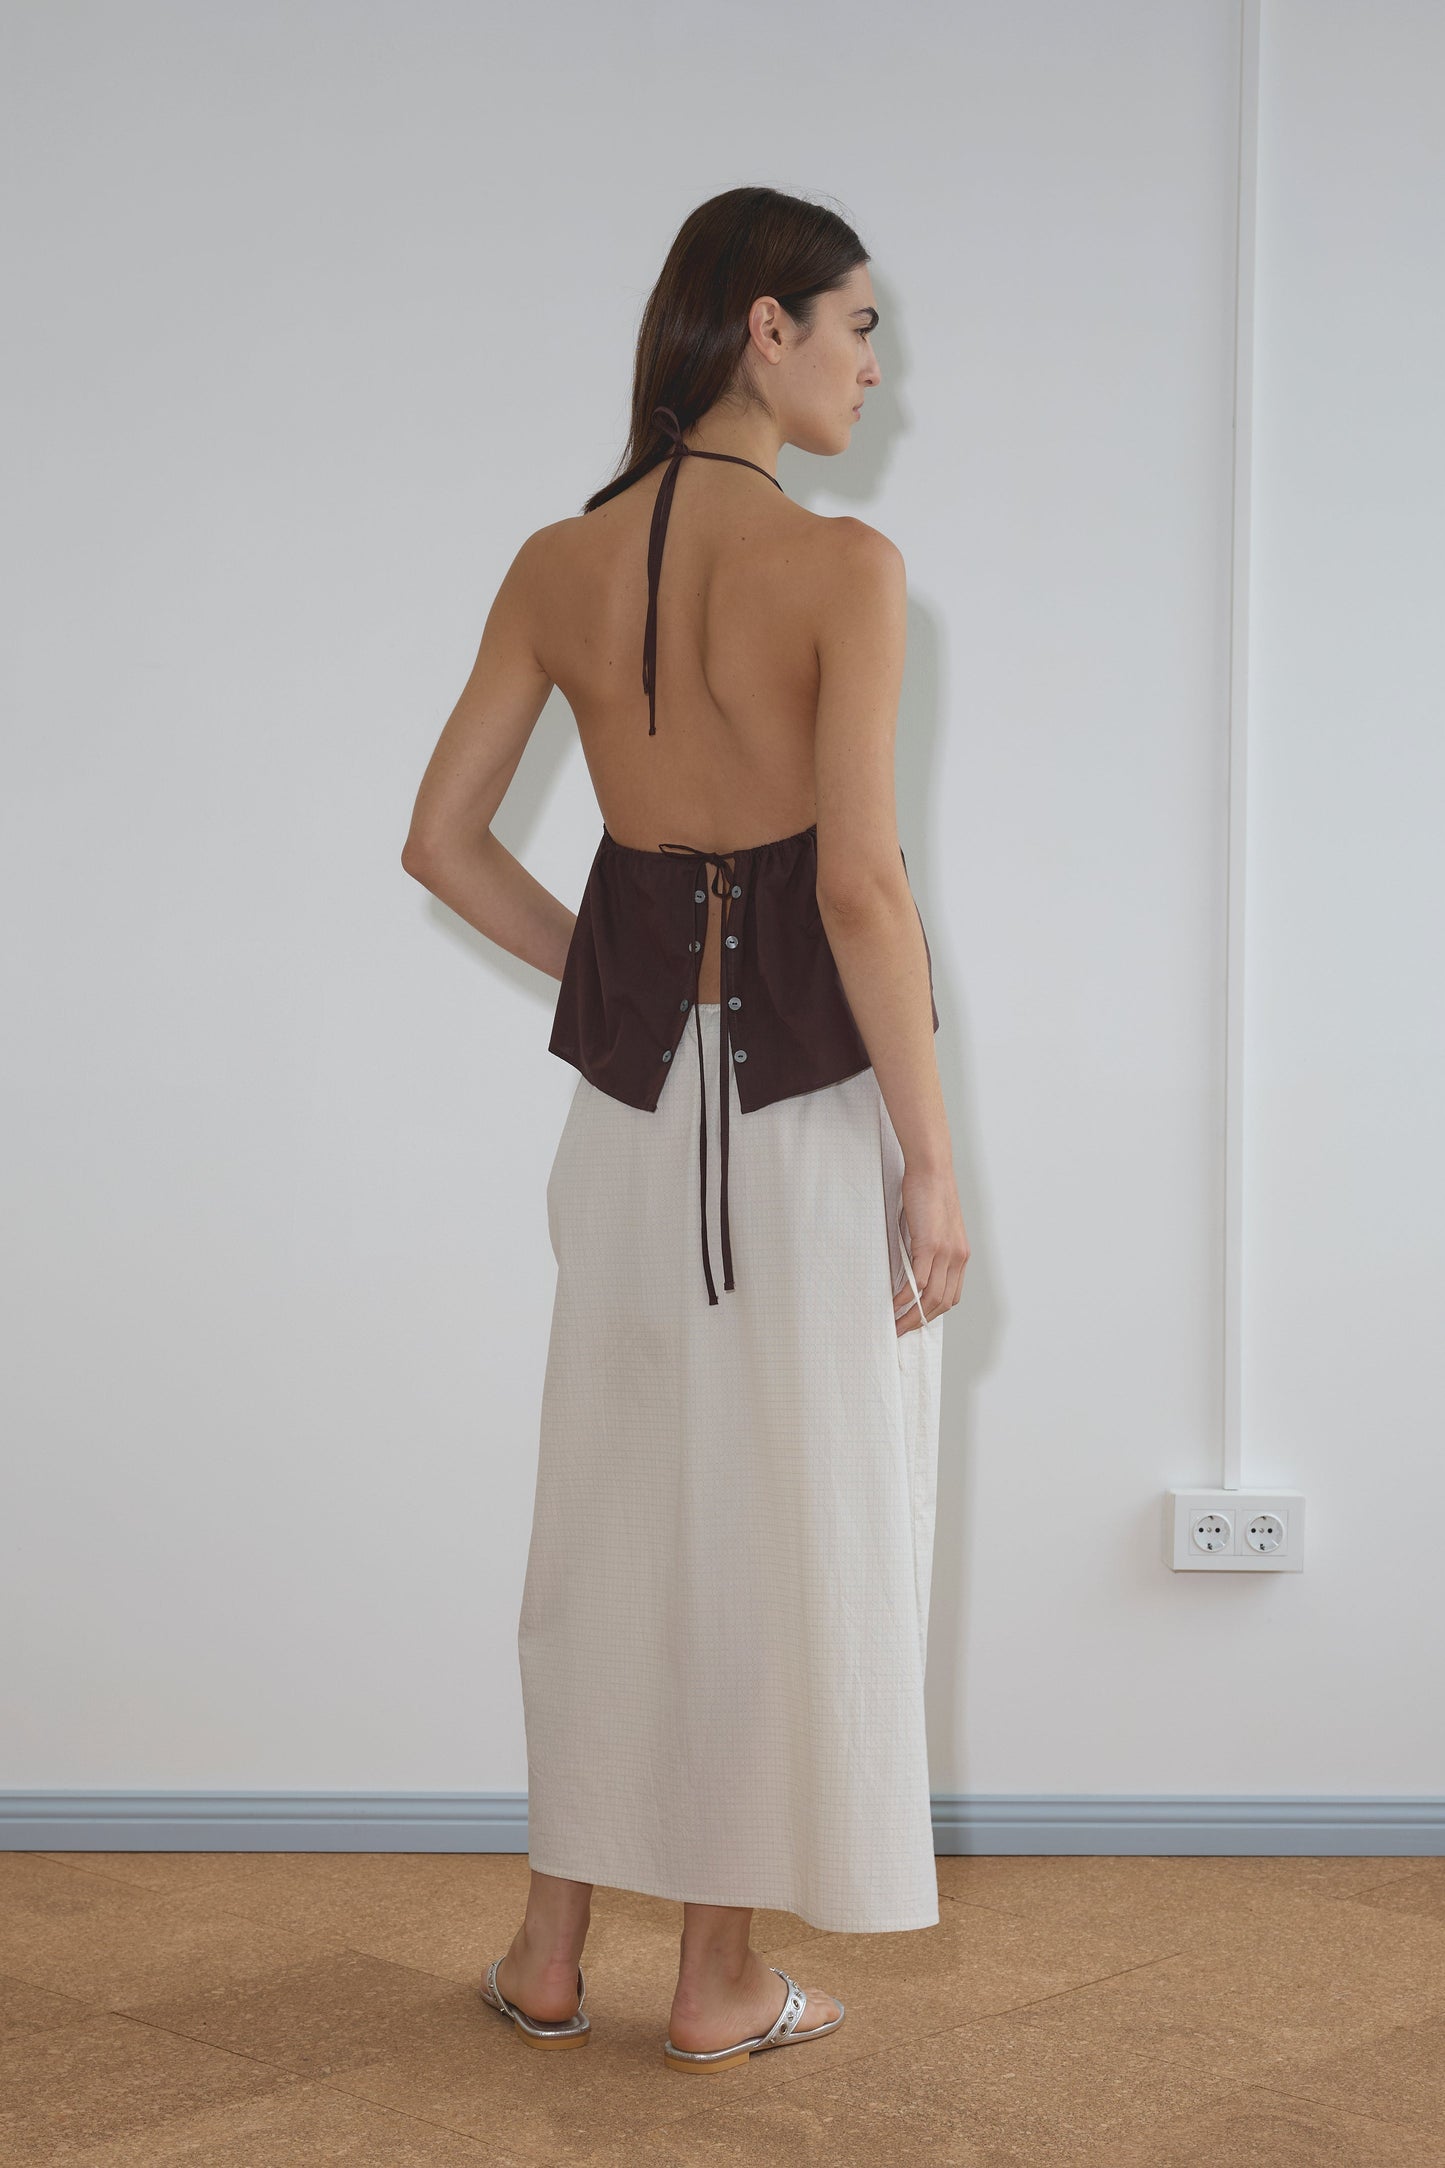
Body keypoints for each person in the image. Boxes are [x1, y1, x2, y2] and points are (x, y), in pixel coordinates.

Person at [402, 184, 970, 2072]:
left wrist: (616, 983)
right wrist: (935, 1158)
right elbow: (865, 893)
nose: (873, 368)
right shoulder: (847, 569)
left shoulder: (556, 561)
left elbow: (441, 839)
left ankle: (551, 1949)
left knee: (615, 1508)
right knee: (778, 1522)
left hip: (631, 1119)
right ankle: (717, 1982)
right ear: (761, 326)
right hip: (801, 1121)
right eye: (855, 327)